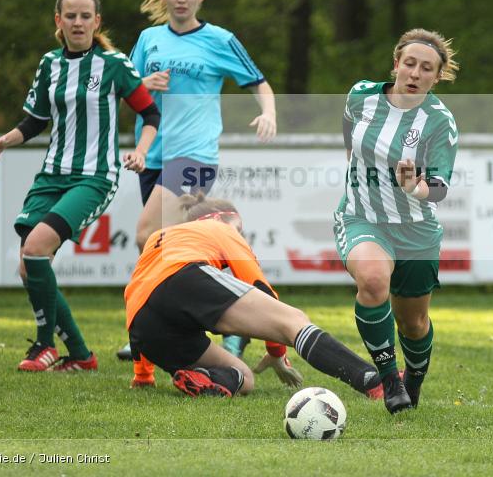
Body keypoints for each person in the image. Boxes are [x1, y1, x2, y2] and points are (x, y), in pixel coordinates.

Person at [0, 0, 160, 372]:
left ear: (96, 21)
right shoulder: (50, 63)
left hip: (95, 176)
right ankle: (81, 355)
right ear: (58, 21)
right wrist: (4, 142)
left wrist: (142, 151)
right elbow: (36, 121)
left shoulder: (113, 65)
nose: (77, 22)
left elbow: (150, 115)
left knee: (35, 248)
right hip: (51, 175)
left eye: (85, 16)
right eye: (70, 16)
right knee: (29, 266)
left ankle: (44, 346)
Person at [116, 0, 277, 361]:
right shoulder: (149, 39)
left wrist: (269, 112)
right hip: (152, 155)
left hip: (194, 156)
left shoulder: (219, 40)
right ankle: (211, 329)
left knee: (147, 235)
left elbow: (260, 83)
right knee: (174, 251)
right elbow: (127, 87)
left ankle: (152, 329)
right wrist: (142, 85)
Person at [125, 192, 384, 404]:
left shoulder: (157, 239)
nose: (242, 235)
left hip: (142, 325)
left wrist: (143, 375)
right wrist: (276, 351)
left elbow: (138, 294)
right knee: (293, 320)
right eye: (241, 228)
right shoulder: (217, 227)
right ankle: (373, 380)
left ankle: (203, 378)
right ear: (224, 217)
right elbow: (260, 287)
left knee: (243, 377)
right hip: (184, 277)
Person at [334, 28, 459, 413]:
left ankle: (413, 383)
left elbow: (438, 187)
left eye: (426, 68)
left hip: (416, 230)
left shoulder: (440, 121)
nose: (415, 73)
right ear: (396, 64)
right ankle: (390, 382)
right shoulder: (361, 96)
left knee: (414, 323)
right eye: (409, 63)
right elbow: (348, 138)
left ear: (437, 77)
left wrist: (414, 188)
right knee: (372, 280)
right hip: (361, 217)